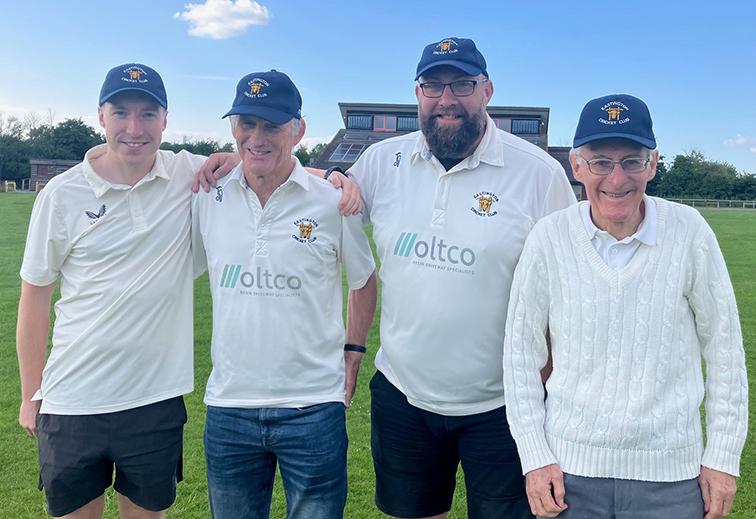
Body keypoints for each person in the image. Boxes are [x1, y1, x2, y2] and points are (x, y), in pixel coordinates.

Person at [16, 63, 360, 519]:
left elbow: (264, 159)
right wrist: (29, 393)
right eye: (121, 113)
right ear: (101, 116)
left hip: (154, 401)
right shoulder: (61, 194)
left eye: (147, 115)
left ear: (165, 119)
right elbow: (35, 297)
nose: (134, 129)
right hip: (71, 399)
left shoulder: (186, 173)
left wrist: (333, 175)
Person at [348, 37, 576, 519]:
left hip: (503, 404)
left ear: (487, 90)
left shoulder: (538, 173)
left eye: (462, 84)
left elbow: (569, 291)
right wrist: (232, 165)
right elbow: (315, 201)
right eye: (433, 84)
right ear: (418, 92)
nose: (446, 98)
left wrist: (549, 385)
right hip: (403, 394)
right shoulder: (381, 161)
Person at [503, 94, 748, 519]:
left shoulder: (689, 232)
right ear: (577, 166)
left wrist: (723, 456)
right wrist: (534, 455)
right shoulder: (549, 237)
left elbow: (725, 348)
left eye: (631, 161)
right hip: (569, 474)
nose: (616, 179)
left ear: (652, 164)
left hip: (672, 477)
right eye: (600, 162)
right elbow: (519, 355)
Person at [192, 70, 378, 519]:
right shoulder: (205, 193)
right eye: (246, 123)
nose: (257, 137)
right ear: (233, 127)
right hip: (230, 408)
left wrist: (354, 350)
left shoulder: (333, 200)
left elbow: (364, 278)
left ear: (298, 130)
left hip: (313, 408)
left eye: (272, 126)